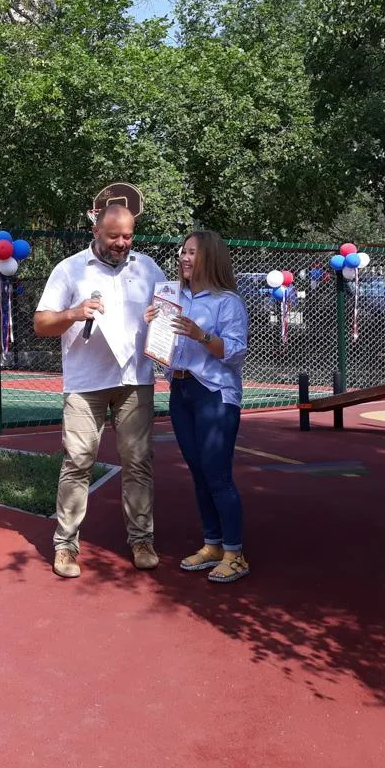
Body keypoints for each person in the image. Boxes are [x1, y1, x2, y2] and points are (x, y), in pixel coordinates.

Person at [34, 203, 167, 579]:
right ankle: (65, 546)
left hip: (135, 381)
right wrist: (72, 314)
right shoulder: (70, 269)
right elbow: (42, 323)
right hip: (85, 383)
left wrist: (162, 321)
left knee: (139, 462)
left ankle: (142, 540)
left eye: (128, 236)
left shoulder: (147, 268)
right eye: (114, 237)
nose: (122, 244)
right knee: (77, 462)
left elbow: (169, 310)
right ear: (95, 232)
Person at [146, 230, 250, 583]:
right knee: (199, 472)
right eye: (183, 252)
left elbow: (235, 353)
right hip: (181, 391)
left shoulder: (227, 302)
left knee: (218, 474)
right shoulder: (174, 297)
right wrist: (154, 328)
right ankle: (213, 544)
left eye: (192, 253)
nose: (184, 258)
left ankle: (235, 553)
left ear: (210, 258)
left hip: (214, 394)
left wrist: (201, 335)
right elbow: (167, 348)